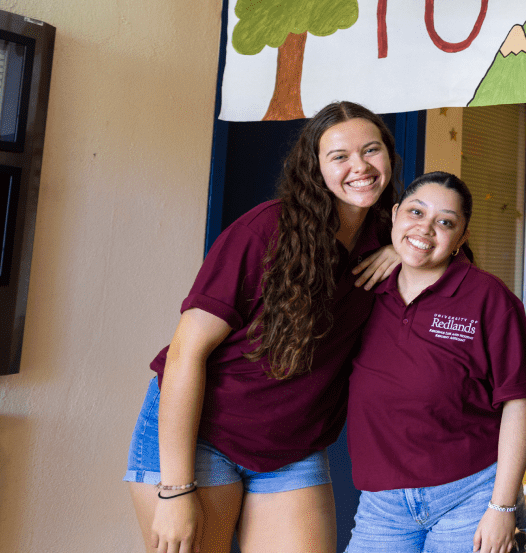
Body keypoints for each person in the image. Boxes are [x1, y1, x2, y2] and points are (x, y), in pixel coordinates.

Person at [126, 101, 403, 553]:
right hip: (202, 435)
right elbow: (185, 353)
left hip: (291, 447)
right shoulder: (264, 231)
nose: (361, 166)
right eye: (340, 156)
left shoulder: (396, 233)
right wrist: (175, 489)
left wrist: (405, 249)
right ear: (315, 168)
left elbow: (453, 244)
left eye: (371, 150)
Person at [343, 171, 526, 553]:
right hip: (382, 502)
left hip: (469, 493)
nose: (426, 228)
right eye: (416, 212)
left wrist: (502, 506)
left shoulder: (490, 299)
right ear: (395, 214)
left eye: (445, 222)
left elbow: (519, 403)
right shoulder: (365, 285)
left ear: (461, 238)